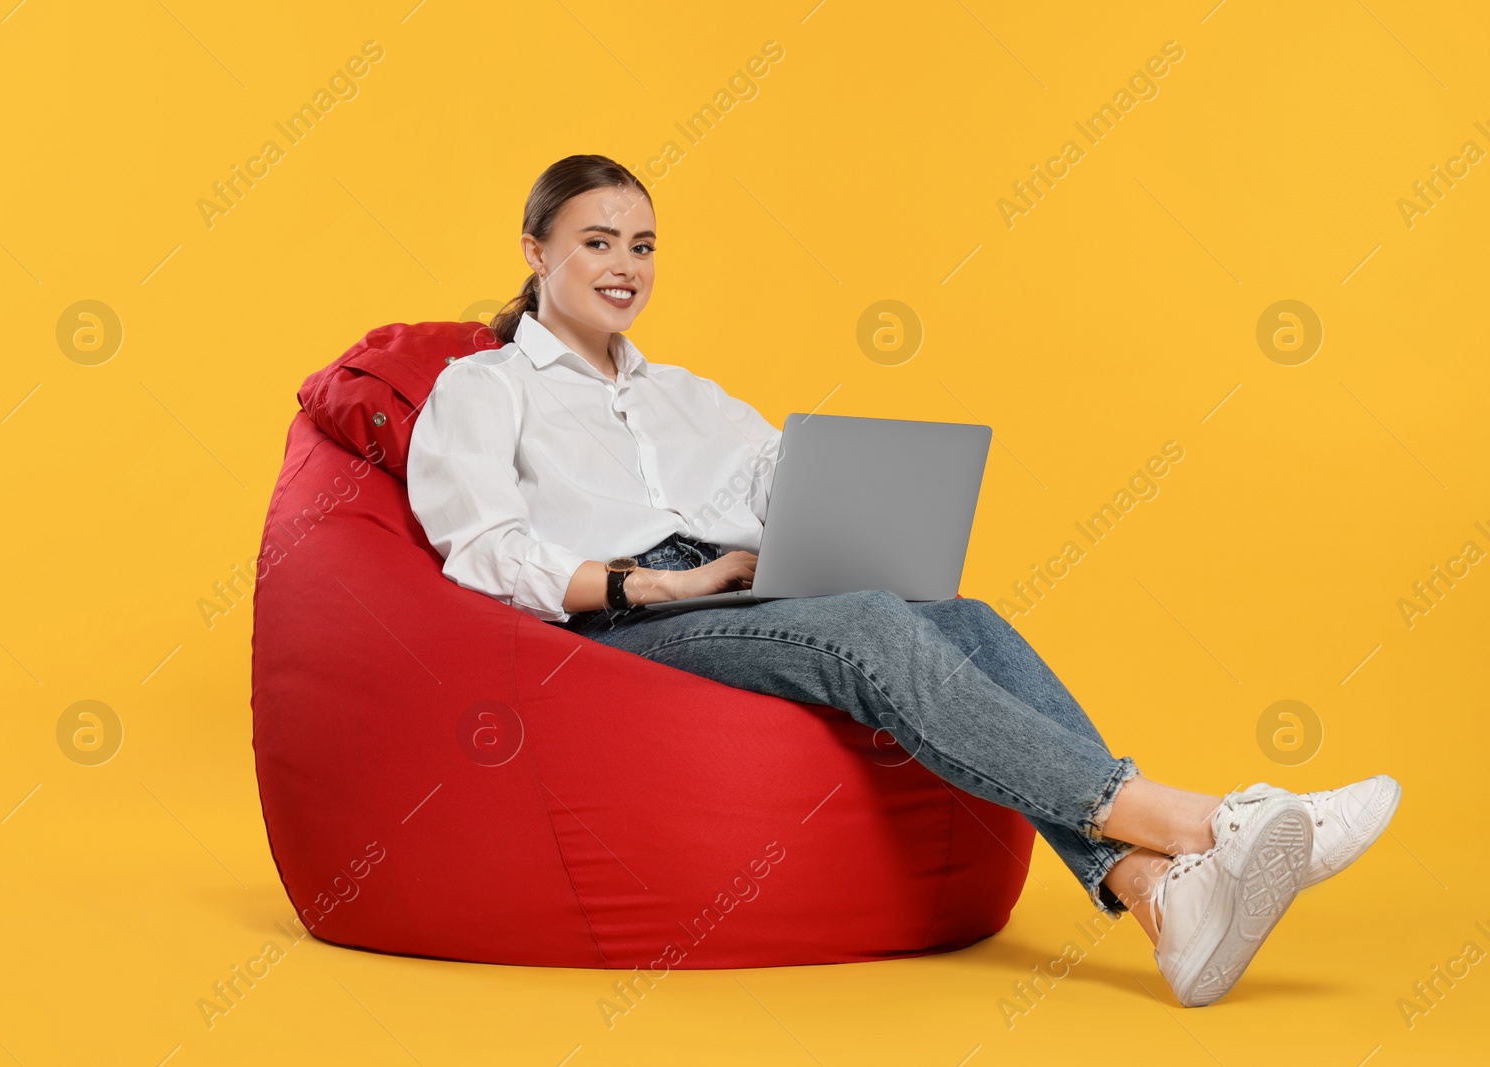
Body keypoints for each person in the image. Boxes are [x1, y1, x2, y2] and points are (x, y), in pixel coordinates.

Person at [405, 153, 1401, 1008]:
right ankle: (1202, 825)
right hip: (614, 626)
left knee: (955, 613)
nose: (625, 266)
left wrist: (830, 500)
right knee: (872, 626)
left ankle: (1158, 894)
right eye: (597, 240)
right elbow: (482, 548)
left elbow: (771, 482)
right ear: (536, 250)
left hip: (735, 588)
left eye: (644, 244)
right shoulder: (483, 388)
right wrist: (653, 586)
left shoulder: (684, 395)